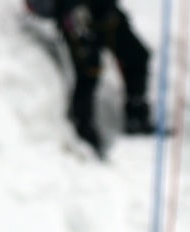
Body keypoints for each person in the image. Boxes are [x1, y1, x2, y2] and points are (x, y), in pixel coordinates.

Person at [50, 0, 156, 156]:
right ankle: (82, 126)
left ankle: (136, 116)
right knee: (89, 68)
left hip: (103, 9)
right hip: (74, 11)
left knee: (137, 55)